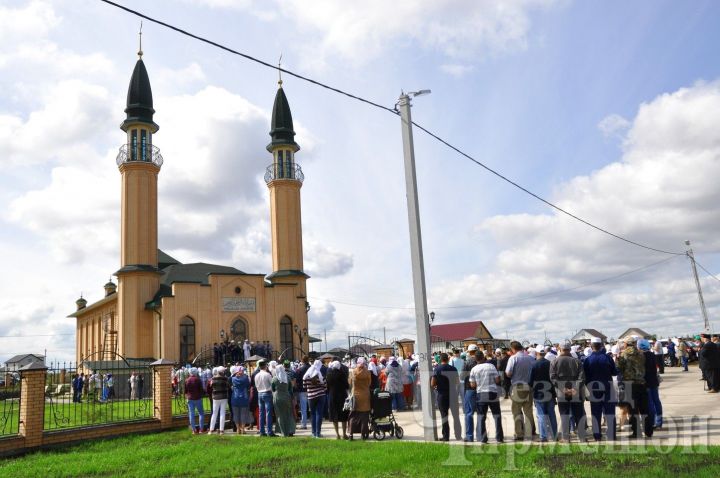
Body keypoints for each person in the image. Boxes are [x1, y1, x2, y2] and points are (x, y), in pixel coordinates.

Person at [551, 341, 586, 442]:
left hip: (562, 393)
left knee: (564, 415)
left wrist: (563, 389)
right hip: (576, 392)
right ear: (570, 349)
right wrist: (575, 389)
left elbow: (553, 378)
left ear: (560, 349)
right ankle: (582, 437)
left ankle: (566, 438)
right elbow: (582, 377)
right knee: (579, 414)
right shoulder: (577, 361)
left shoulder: (554, 362)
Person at [617, 336, 652, 438]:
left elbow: (619, 368)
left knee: (633, 410)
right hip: (641, 383)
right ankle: (648, 431)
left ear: (626, 344)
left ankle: (636, 432)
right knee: (644, 409)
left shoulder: (624, 354)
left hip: (629, 385)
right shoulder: (641, 353)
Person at [583, 337, 617, 441]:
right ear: (601, 345)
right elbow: (614, 372)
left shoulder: (587, 360)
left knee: (596, 413)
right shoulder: (607, 358)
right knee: (610, 413)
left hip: (594, 389)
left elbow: (585, 376)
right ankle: (611, 435)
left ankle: (597, 436)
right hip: (607, 387)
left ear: (591, 346)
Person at [469, 352, 504, 444]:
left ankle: (483, 438)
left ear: (475, 359)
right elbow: (497, 380)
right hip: (492, 392)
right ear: (484, 357)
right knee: (497, 416)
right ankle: (499, 437)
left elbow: (472, 385)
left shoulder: (474, 369)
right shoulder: (491, 366)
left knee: (481, 417)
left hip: (481, 393)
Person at [505, 341, 536, 441]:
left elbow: (508, 373)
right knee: (528, 411)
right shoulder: (530, 358)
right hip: (529, 386)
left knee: (517, 411)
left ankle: (519, 433)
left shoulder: (513, 358)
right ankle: (530, 431)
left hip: (518, 386)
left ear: (513, 349)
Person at [431, 352, 462, 441]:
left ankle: (446, 436)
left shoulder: (437, 369)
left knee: (444, 416)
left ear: (440, 360)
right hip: (453, 394)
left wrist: (437, 385)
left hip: (442, 395)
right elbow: (457, 382)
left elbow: (432, 383)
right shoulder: (453, 369)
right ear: (448, 359)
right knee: (456, 416)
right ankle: (458, 435)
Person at [529, 349, 557, 442]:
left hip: (539, 393)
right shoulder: (550, 363)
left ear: (537, 353)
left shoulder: (534, 364)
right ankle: (554, 435)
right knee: (552, 414)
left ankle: (543, 436)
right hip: (550, 392)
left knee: (541, 415)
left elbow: (530, 381)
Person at [638, 339, 663, 431]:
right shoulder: (652, 355)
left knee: (650, 404)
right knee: (657, 401)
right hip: (654, 381)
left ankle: (652, 422)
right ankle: (659, 422)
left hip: (646, 383)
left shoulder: (641, 357)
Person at [349, 357, 372, 440]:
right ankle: (363, 435)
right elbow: (369, 383)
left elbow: (350, 383)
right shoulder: (368, 372)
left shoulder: (353, 372)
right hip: (365, 396)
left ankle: (351, 435)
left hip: (355, 396)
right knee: (364, 417)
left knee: (353, 416)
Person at [326, 360, 350, 439]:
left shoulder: (329, 375)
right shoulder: (342, 374)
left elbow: (327, 387)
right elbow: (347, 386)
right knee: (343, 416)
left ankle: (337, 434)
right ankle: (344, 434)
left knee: (334, 415)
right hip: (342, 396)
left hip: (332, 396)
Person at [303, 359, 327, 438]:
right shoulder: (320, 376)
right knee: (319, 414)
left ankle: (313, 432)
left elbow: (304, 386)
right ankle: (318, 433)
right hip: (320, 396)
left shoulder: (306, 376)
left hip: (311, 397)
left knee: (312, 414)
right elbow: (325, 387)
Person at [461, 344, 479, 442]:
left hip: (469, 389)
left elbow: (462, 376)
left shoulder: (467, 362)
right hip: (480, 389)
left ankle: (469, 436)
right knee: (480, 413)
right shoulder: (481, 361)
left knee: (469, 413)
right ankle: (480, 435)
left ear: (469, 352)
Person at [272, 364, 295, 437]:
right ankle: (289, 431)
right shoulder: (287, 378)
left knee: (279, 415)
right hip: (286, 397)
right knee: (288, 414)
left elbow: (272, 388)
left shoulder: (275, 378)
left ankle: (283, 432)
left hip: (277, 397)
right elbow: (290, 389)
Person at [254, 360, 275, 436]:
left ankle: (262, 431)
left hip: (259, 393)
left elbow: (256, 385)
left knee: (261, 413)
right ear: (265, 366)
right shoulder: (267, 374)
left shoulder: (256, 375)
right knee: (268, 413)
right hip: (267, 393)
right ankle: (269, 431)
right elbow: (272, 384)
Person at [207, 366, 229, 435]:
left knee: (214, 413)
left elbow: (211, 386)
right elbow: (228, 386)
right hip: (223, 397)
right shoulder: (225, 379)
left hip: (215, 397)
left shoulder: (212, 379)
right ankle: (221, 430)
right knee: (222, 413)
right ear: (222, 372)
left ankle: (211, 430)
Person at [230, 366, 250, 435]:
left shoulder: (233, 379)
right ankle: (243, 429)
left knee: (236, 414)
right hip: (244, 397)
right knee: (243, 414)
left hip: (235, 398)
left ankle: (238, 429)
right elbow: (248, 385)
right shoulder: (245, 379)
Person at [185, 367, 205, 434]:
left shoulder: (187, 380)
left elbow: (185, 391)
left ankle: (194, 430)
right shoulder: (198, 380)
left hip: (190, 398)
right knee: (201, 413)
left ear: (190, 372)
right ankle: (201, 429)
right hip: (198, 398)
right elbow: (201, 390)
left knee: (191, 414)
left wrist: (187, 397)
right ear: (196, 372)